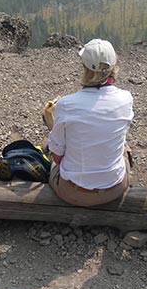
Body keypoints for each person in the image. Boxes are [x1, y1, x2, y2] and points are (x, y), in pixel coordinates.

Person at [45, 39, 133, 207]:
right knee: (124, 145)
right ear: (114, 65)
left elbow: (57, 158)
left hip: (72, 193)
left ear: (84, 67)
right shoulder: (126, 99)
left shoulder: (66, 104)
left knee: (53, 146)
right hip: (114, 190)